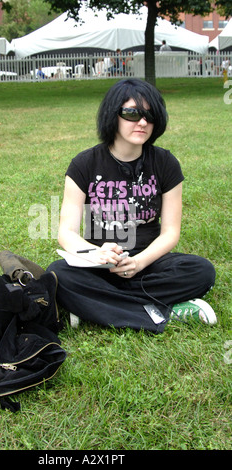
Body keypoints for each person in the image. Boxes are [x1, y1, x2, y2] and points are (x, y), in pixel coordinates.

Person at [48, 79, 217, 333]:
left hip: (149, 264)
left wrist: (138, 262)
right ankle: (164, 312)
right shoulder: (84, 164)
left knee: (201, 271)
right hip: (100, 265)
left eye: (149, 115)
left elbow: (171, 232)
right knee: (58, 274)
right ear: (112, 115)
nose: (142, 122)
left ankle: (93, 307)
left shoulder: (166, 163)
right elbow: (66, 233)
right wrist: (96, 254)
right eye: (131, 113)